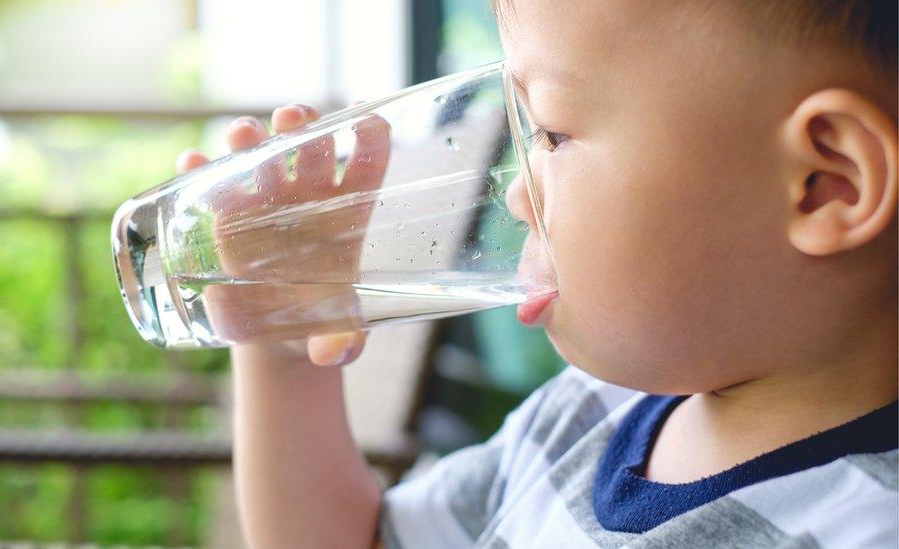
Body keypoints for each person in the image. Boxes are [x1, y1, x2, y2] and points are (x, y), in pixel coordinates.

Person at [174, 1, 897, 547]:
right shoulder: (585, 415)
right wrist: (285, 351)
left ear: (824, 183)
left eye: (549, 131)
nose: (517, 191)